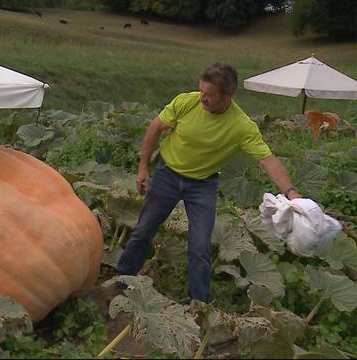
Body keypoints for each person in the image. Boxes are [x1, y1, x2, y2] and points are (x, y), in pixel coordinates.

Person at [116, 62, 302, 303]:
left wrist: (291, 192)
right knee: (143, 230)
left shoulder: (241, 126)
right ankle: (123, 278)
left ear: (229, 95)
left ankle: (198, 304)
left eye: (209, 95)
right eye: (201, 91)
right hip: (167, 174)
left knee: (200, 246)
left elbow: (267, 160)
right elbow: (156, 127)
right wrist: (142, 167)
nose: (202, 98)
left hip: (202, 185)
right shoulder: (186, 102)